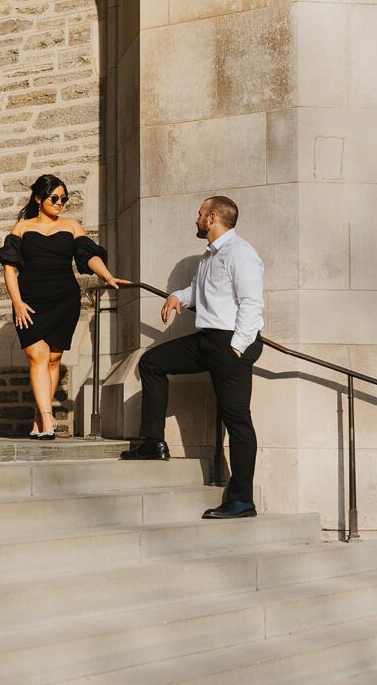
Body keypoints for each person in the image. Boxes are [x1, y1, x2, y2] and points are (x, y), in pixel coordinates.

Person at [120, 196, 264, 520]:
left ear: (212, 218)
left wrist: (237, 347)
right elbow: (199, 292)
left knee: (237, 421)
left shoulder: (241, 253)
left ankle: (241, 501)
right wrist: (177, 296)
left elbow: (252, 304)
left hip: (230, 343)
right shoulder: (210, 255)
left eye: (200, 214)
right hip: (207, 340)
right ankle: (154, 443)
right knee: (152, 362)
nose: (196, 219)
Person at [0, 174, 127, 439]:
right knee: (37, 356)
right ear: (38, 198)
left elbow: (88, 255)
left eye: (64, 199)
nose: (60, 203)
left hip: (63, 299)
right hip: (30, 301)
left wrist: (107, 276)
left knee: (54, 359)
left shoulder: (71, 225)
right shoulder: (22, 227)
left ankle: (39, 417)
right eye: (54, 198)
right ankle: (47, 418)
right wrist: (17, 302)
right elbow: (9, 268)